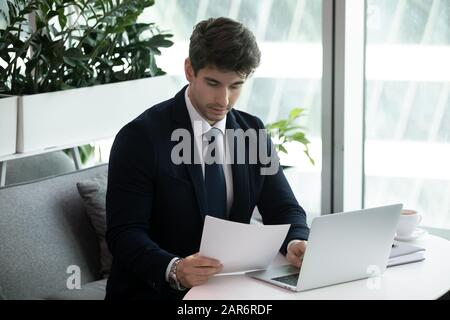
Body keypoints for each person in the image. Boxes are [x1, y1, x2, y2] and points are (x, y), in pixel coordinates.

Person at [105, 17, 309, 300]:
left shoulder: (252, 131)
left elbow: (284, 208)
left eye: (236, 85)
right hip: (158, 292)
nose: (223, 100)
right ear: (189, 70)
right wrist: (175, 268)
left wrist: (297, 241)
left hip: (230, 290)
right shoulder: (140, 138)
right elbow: (124, 233)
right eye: (213, 83)